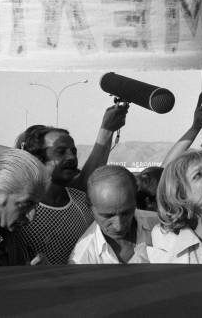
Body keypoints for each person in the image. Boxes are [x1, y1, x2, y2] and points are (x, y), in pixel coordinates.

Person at [17, 105, 127, 264]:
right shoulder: (20, 209)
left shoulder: (82, 202)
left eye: (73, 151)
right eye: (61, 152)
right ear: (36, 158)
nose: (71, 157)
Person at [69, 165, 159, 264]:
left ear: (135, 201)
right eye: (108, 216)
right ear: (90, 208)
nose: (119, 226)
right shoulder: (82, 259)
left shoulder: (162, 226)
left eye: (126, 213)